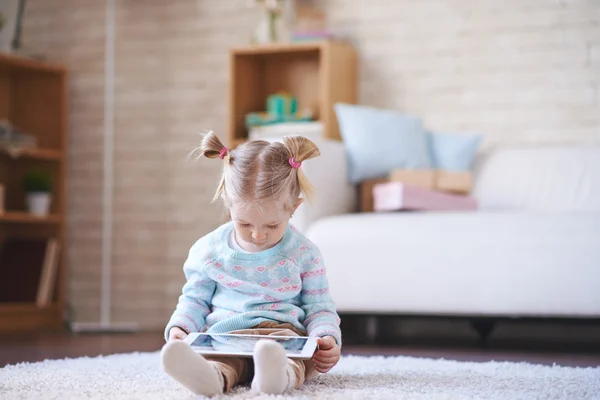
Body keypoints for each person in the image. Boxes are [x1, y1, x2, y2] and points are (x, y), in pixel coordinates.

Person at [160, 132, 342, 397]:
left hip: (284, 336)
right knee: (221, 361)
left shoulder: (305, 253)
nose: (258, 235)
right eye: (244, 224)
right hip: (225, 335)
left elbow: (319, 306)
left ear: (294, 207)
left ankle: (278, 375)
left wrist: (326, 338)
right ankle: (212, 377)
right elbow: (194, 299)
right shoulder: (209, 250)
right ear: (228, 204)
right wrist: (181, 328)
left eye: (272, 225)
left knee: (299, 361)